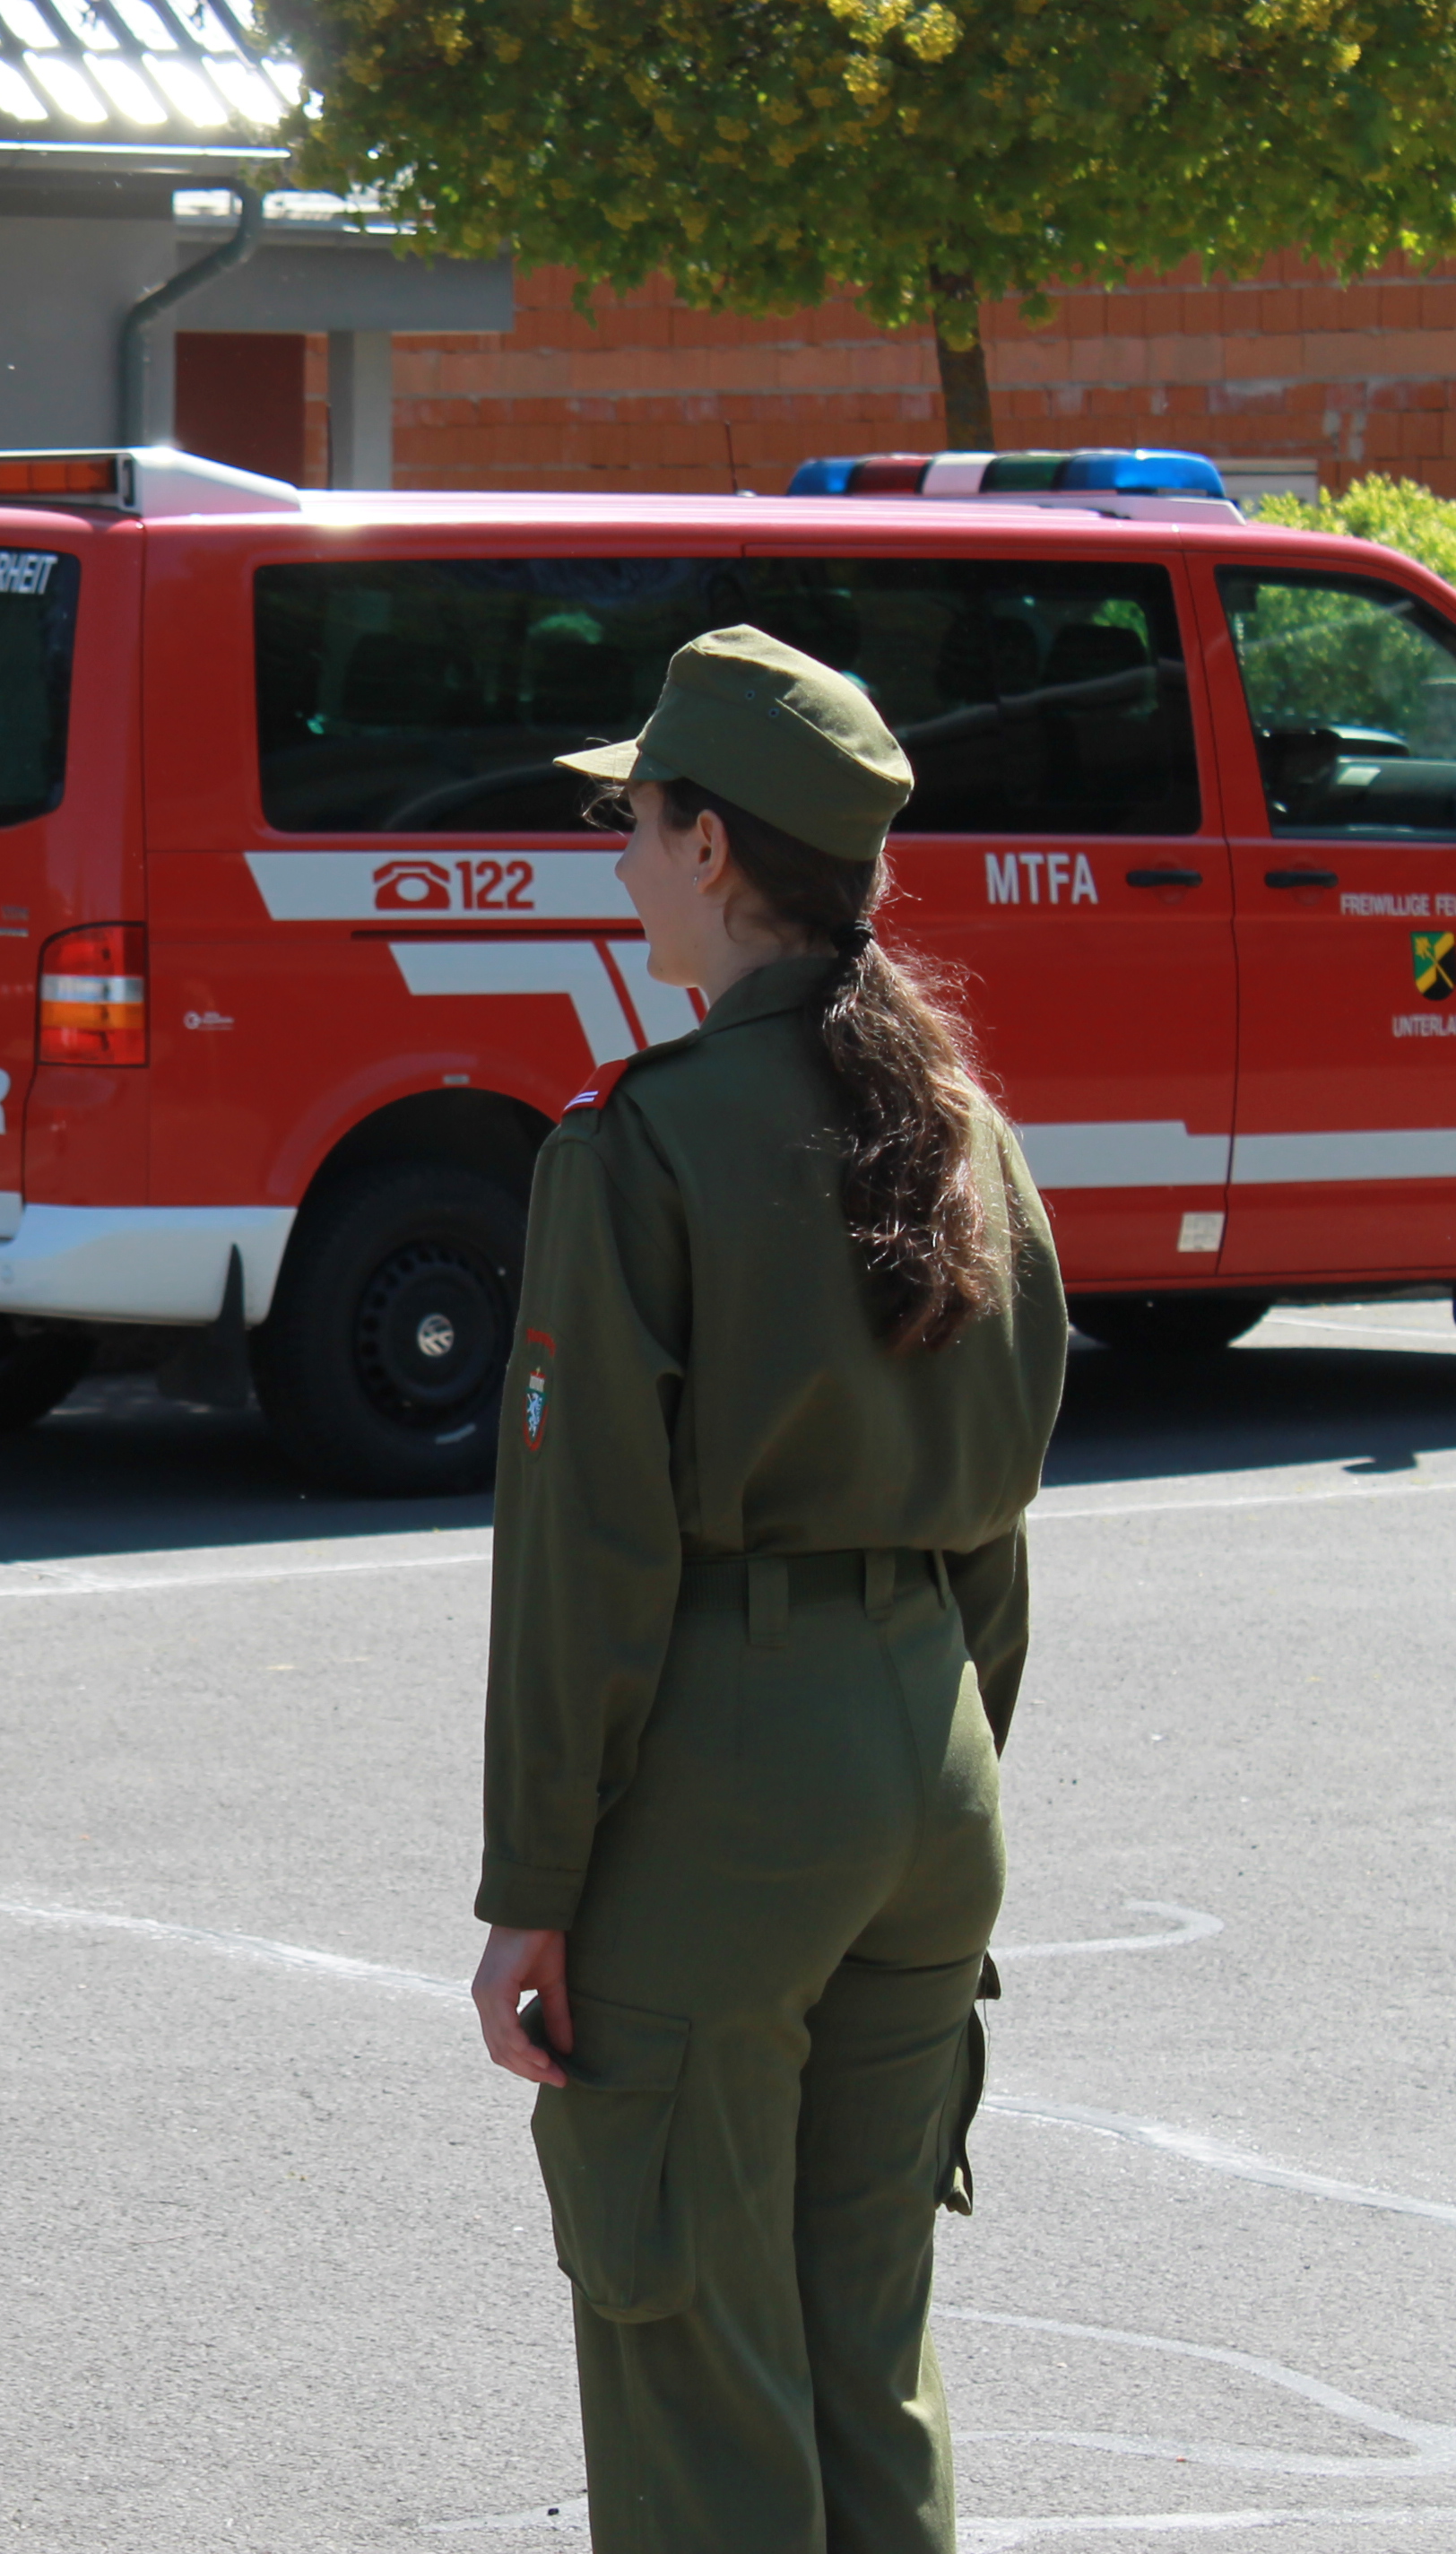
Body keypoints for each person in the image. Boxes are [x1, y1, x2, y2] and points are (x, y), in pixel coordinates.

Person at [468, 626, 1069, 2554]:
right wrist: (930, 1756)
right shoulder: (967, 1126)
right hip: (930, 1764)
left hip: (735, 1783)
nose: (622, 854)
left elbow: (588, 1562)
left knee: (698, 2362)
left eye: (635, 820)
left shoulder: (644, 1142)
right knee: (863, 2349)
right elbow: (998, 1528)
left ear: (712, 845)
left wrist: (535, 1884)